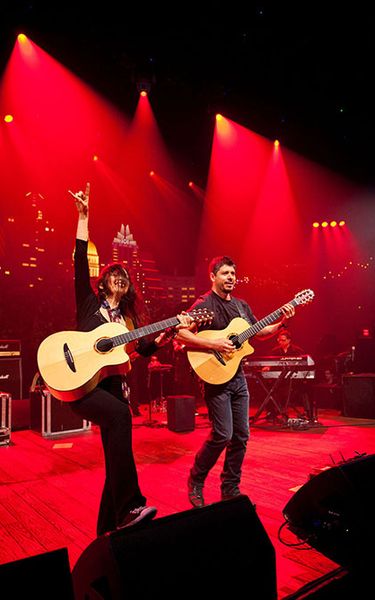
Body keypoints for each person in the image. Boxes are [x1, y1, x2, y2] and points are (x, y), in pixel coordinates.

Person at [68, 182, 191, 535]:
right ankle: (132, 505)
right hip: (84, 385)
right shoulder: (89, 305)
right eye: (114, 274)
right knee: (121, 417)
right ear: (104, 281)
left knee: (117, 458)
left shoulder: (130, 322)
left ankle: (106, 529)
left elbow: (137, 351)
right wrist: (83, 217)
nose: (120, 277)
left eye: (125, 276)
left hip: (113, 386)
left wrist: (164, 338)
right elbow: (79, 264)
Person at [175, 255, 296, 507]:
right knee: (222, 434)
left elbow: (257, 332)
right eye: (225, 273)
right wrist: (213, 342)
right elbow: (181, 333)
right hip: (215, 376)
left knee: (241, 435)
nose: (231, 277)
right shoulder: (204, 303)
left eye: (233, 273)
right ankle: (196, 480)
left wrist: (281, 321)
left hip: (237, 376)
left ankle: (230, 488)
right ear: (213, 277)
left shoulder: (241, 306)